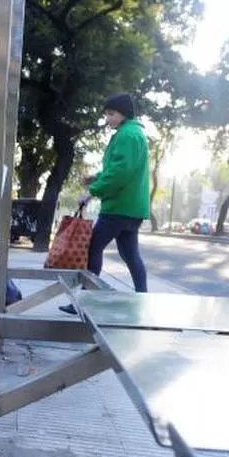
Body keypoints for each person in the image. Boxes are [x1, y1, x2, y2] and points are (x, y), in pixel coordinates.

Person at [60, 92, 149, 314]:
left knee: (92, 248)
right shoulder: (134, 133)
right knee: (130, 255)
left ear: (123, 114)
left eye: (111, 114)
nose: (107, 119)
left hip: (118, 207)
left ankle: (85, 302)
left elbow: (120, 173)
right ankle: (143, 299)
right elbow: (121, 169)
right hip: (132, 208)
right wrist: (98, 177)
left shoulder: (127, 135)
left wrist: (93, 191)